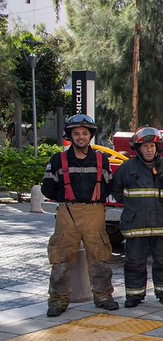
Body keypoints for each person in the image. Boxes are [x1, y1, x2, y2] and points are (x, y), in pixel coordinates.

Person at [42, 114, 119, 317]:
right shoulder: (58, 160)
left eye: (84, 133)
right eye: (76, 134)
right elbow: (47, 189)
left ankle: (103, 297)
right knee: (61, 259)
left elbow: (108, 185)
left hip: (95, 212)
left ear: (90, 136)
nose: (81, 137)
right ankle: (58, 301)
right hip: (68, 213)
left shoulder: (102, 160)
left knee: (100, 258)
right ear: (70, 136)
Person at [111, 126, 163, 307]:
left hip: (162, 224)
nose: (149, 150)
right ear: (138, 148)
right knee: (134, 262)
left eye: (152, 146)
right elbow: (117, 191)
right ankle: (134, 295)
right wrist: (135, 208)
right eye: (145, 146)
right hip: (136, 224)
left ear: (157, 147)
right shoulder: (126, 169)